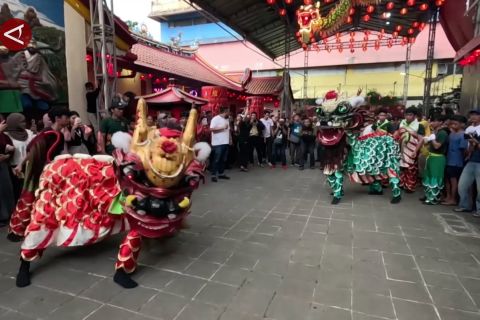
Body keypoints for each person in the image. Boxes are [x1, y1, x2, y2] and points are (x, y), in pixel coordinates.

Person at [8, 107, 70, 242]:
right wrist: (21, 165)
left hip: (49, 171)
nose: (68, 119)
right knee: (33, 198)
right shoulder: (51, 134)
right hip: (42, 171)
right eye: (66, 116)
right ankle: (24, 230)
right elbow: (33, 150)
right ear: (58, 119)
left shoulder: (55, 133)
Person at [4, 113, 35, 201]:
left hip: (29, 165)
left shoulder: (29, 133)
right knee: (18, 192)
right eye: (21, 122)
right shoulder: (6, 135)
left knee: (30, 191)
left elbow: (34, 148)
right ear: (14, 123)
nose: (24, 124)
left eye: (24, 121)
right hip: (14, 168)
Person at [455, 110, 480, 216]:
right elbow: (468, 147)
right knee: (462, 185)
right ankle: (464, 205)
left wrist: (476, 142)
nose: (473, 117)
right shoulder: (469, 129)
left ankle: (479, 209)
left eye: (476, 115)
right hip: (471, 160)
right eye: (472, 115)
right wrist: (469, 150)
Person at [395, 107, 425, 193]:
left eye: (410, 115)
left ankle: (409, 186)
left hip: (412, 150)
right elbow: (396, 135)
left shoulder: (419, 125)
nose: (408, 117)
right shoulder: (401, 124)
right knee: (401, 167)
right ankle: (401, 184)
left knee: (411, 169)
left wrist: (415, 151)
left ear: (415, 116)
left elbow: (421, 140)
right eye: (406, 115)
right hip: (401, 148)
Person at [422, 114, 448, 205]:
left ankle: (434, 198)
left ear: (441, 122)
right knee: (428, 176)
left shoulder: (442, 133)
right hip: (430, 156)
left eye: (434, 121)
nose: (432, 123)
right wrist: (427, 140)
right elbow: (429, 145)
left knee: (435, 177)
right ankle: (428, 195)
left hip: (438, 158)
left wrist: (432, 139)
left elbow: (437, 146)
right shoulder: (435, 132)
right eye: (431, 121)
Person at [442, 115, 467, 206]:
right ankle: (448, 196)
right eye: (452, 124)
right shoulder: (452, 133)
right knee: (447, 180)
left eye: (455, 124)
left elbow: (463, 150)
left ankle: (453, 198)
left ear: (461, 124)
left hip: (456, 161)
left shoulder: (463, 135)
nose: (453, 125)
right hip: (448, 159)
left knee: (453, 181)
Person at [0, 116, 15, 226]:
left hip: (3, 166)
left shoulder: (4, 136)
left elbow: (10, 148)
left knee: (6, 190)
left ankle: (9, 214)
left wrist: (8, 155)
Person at [210, 106, 231, 182]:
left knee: (223, 159)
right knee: (216, 159)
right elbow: (212, 129)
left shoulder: (227, 119)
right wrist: (222, 128)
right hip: (217, 143)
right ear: (225, 112)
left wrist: (230, 140)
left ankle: (221, 174)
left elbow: (228, 130)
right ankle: (213, 175)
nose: (229, 113)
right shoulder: (215, 119)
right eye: (228, 112)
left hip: (225, 142)